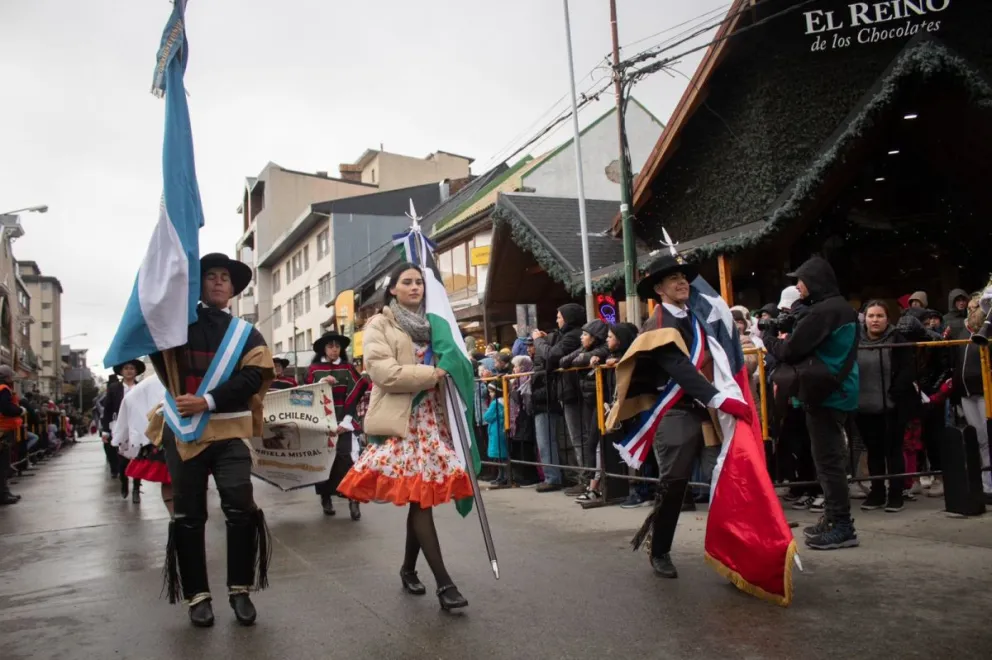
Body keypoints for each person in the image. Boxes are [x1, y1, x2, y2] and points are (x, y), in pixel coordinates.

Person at [146, 253, 275, 628]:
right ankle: (197, 596)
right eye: (210, 276)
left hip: (229, 430)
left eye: (225, 277)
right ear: (197, 285)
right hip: (183, 432)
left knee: (241, 507)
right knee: (188, 515)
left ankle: (240, 590)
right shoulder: (176, 327)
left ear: (233, 289)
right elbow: (151, 335)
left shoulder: (247, 334)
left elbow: (253, 378)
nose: (219, 281)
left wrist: (208, 401)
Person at [337, 262, 473, 611]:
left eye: (419, 282)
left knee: (420, 498)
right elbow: (384, 373)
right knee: (420, 499)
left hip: (432, 421)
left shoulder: (436, 324)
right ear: (392, 289)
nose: (415, 287)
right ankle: (445, 583)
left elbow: (455, 360)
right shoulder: (379, 325)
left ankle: (408, 569)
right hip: (401, 422)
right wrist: (434, 373)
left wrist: (452, 365)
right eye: (407, 282)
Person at [614, 254, 753, 578]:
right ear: (659, 288)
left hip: (706, 408)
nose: (682, 283)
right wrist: (721, 399)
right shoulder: (658, 324)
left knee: (726, 475)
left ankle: (735, 549)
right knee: (674, 483)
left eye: (683, 277)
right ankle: (660, 549)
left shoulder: (698, 317)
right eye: (672, 279)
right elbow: (680, 368)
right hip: (675, 410)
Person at [763, 256, 860, 551]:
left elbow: (790, 350)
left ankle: (841, 525)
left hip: (825, 394)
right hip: (838, 389)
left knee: (828, 462)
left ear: (814, 281)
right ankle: (832, 518)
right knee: (829, 459)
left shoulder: (823, 312)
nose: (798, 286)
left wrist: (767, 337)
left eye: (801, 281)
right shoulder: (839, 307)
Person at [855, 301, 917, 513]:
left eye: (879, 316)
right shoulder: (856, 341)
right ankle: (877, 492)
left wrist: (895, 393)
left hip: (892, 405)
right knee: (873, 451)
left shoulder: (898, 340)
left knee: (893, 451)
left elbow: (907, 370)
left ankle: (896, 493)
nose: (875, 320)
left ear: (887, 319)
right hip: (864, 406)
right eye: (871, 316)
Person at [305, 331, 369, 519]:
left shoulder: (348, 368)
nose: (334, 350)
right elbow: (305, 394)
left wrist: (347, 420)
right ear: (324, 349)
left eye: (337, 346)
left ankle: (353, 499)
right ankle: (325, 497)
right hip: (321, 424)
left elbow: (357, 390)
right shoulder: (314, 370)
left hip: (344, 421)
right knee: (323, 461)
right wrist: (321, 384)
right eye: (330, 346)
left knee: (346, 458)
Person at [531, 304, 585, 493]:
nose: (557, 320)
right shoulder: (567, 335)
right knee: (573, 438)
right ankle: (582, 478)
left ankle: (586, 480)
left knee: (579, 438)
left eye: (559, 317)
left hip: (573, 390)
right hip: (567, 390)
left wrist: (538, 341)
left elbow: (551, 355)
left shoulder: (573, 335)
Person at [559, 320, 611, 502]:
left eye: (585, 335)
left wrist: (583, 355)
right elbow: (564, 361)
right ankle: (593, 485)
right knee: (591, 443)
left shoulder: (603, 349)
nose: (581, 337)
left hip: (602, 401)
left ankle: (595, 487)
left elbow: (578, 360)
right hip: (590, 400)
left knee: (595, 444)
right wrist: (582, 351)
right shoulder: (586, 349)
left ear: (595, 337)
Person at [112, 373, 172, 514]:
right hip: (160, 436)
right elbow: (125, 405)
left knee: (188, 479)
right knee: (169, 479)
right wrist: (123, 439)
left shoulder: (143, 384)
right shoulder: (145, 385)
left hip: (179, 434)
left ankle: (181, 517)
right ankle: (176, 518)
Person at [104, 359, 145, 502]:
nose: (129, 371)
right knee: (122, 460)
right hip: (120, 426)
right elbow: (108, 410)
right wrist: (105, 430)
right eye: (126, 368)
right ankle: (124, 482)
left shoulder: (141, 387)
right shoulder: (114, 388)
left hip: (138, 427)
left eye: (132, 368)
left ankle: (136, 489)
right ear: (121, 371)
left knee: (138, 458)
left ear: (136, 371)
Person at [0, 365, 24, 505]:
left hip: (3, 429)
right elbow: (6, 409)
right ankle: (3, 494)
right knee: (3, 464)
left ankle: (4, 492)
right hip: (3, 430)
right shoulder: (4, 389)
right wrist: (20, 410)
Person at [483, 382, 508, 485]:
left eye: (491, 391)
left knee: (498, 455)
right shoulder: (504, 401)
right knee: (502, 455)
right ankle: (503, 476)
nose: (490, 394)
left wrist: (493, 417)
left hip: (495, 430)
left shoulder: (495, 403)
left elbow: (487, 416)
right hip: (501, 430)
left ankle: (501, 476)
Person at [101, 374, 122, 479]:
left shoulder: (121, 392)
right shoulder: (104, 397)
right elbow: (103, 408)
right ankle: (115, 468)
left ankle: (118, 468)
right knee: (109, 446)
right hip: (109, 423)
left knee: (119, 447)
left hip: (120, 422)